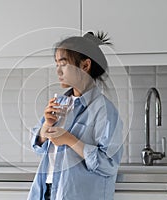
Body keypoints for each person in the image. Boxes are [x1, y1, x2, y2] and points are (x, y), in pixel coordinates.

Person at [28, 31, 123, 200]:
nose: (58, 70)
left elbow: (108, 165)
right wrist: (46, 126)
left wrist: (69, 140)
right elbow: (38, 146)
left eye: (63, 64)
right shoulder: (60, 103)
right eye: (56, 64)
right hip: (49, 191)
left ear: (85, 66)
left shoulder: (104, 110)